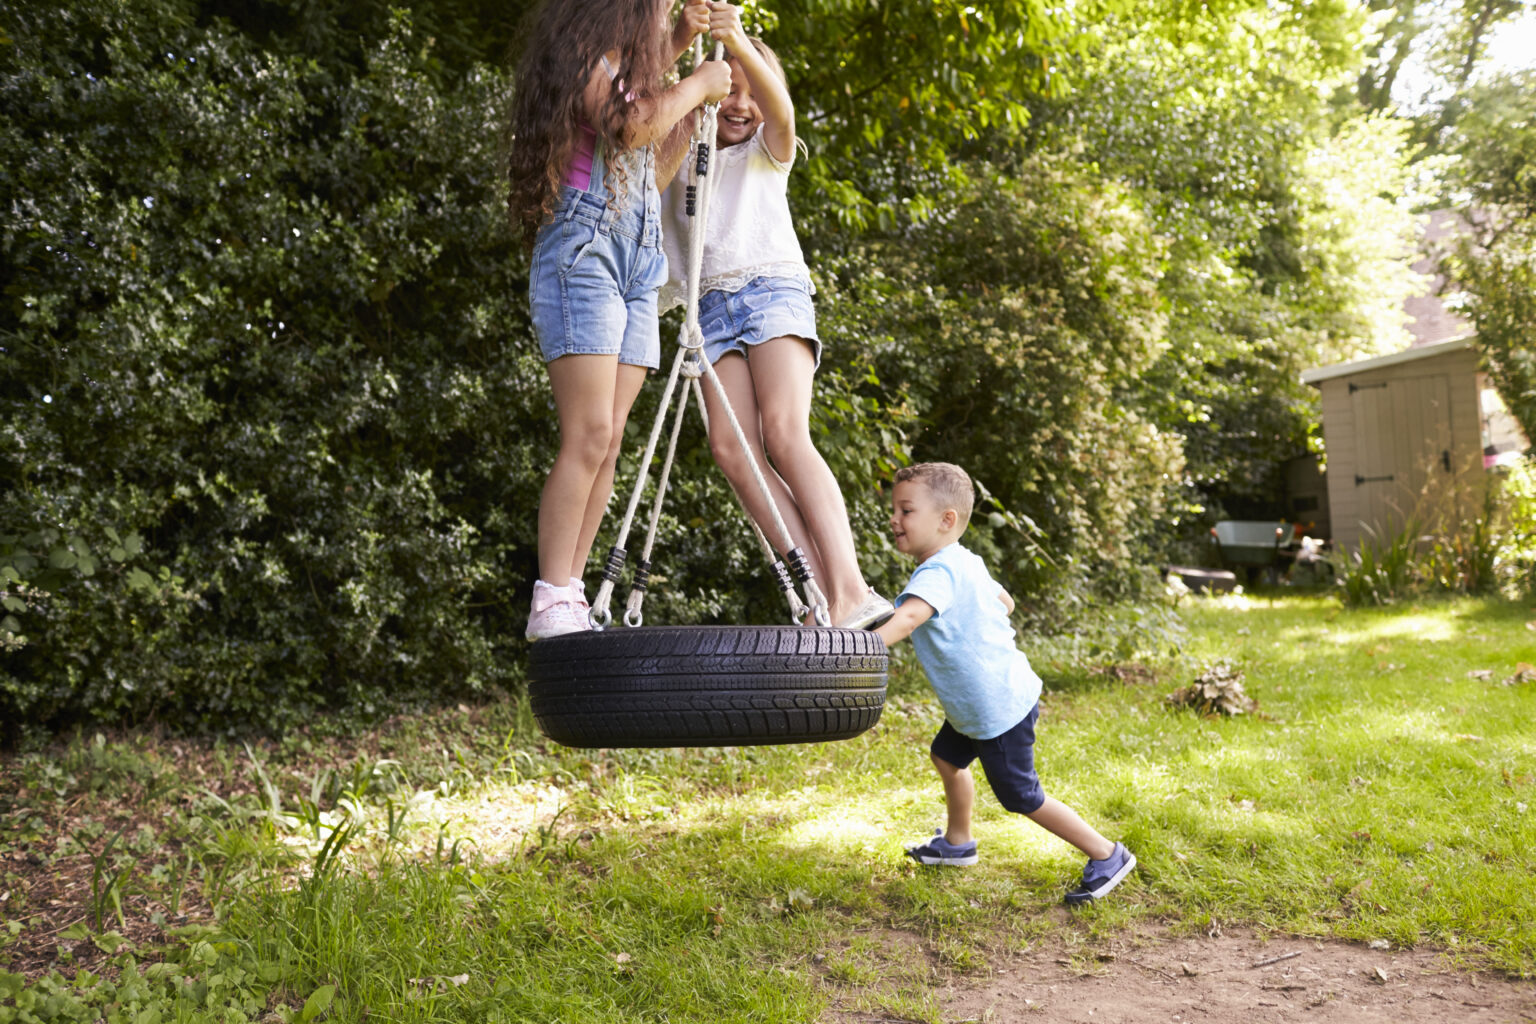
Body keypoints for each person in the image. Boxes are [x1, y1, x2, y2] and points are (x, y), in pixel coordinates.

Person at [657, 3, 892, 630]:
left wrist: (734, 39)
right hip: (707, 310)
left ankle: (850, 588)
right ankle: (818, 595)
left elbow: (781, 112)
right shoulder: (678, 158)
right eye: (726, 86)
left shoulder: (770, 148)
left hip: (770, 292)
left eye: (751, 88)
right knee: (733, 450)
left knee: (785, 434)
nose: (740, 102)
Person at [508, 0, 732, 640]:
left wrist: (686, 53)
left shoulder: (636, 64)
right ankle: (550, 592)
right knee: (589, 431)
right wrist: (695, 84)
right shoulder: (586, 53)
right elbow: (628, 127)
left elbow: (650, 168)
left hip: (640, 258)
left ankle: (569, 593)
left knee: (609, 439)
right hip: (585, 250)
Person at [874, 463, 1137, 904]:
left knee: (1021, 795)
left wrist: (858, 647)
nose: (894, 519)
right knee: (946, 757)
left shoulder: (936, 573)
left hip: (994, 711)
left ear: (946, 520)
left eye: (906, 510)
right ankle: (958, 843)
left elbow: (911, 616)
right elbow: (1005, 601)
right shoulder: (965, 560)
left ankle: (1108, 854)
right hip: (979, 705)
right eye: (894, 509)